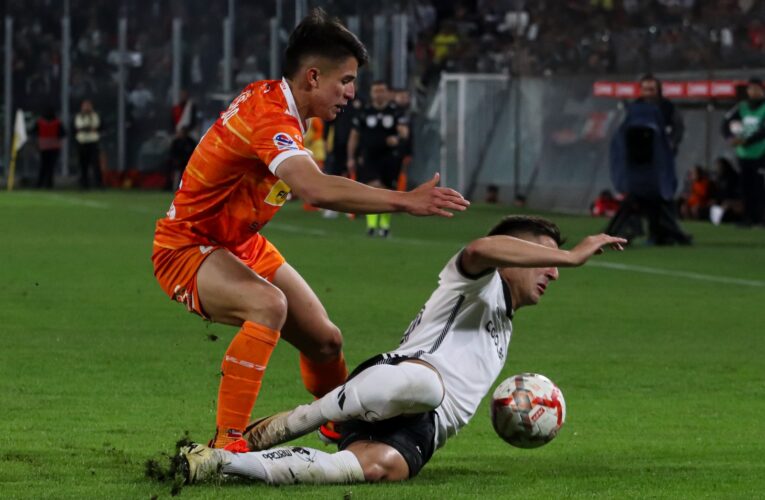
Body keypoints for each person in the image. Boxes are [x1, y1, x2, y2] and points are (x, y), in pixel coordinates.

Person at [151, 8, 469, 450]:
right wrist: (404, 200)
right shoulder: (269, 116)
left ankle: (340, 427)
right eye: (346, 81)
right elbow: (314, 189)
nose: (351, 93)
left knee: (325, 342)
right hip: (187, 247)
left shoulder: (279, 105)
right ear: (314, 77)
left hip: (239, 242)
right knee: (268, 305)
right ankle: (228, 444)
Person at [176, 215, 626, 485]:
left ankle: (222, 465)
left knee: (378, 469)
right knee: (428, 386)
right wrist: (572, 254)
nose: (554, 272)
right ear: (515, 257)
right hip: (394, 381)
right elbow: (480, 247)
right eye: (543, 259)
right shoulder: (474, 283)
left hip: (422, 429)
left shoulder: (504, 321)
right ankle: (291, 425)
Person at [606, 74, 692, 245]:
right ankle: (647, 232)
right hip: (637, 162)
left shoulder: (667, 108)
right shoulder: (633, 108)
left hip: (659, 163)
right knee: (643, 198)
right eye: (646, 89)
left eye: (652, 89)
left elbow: (677, 128)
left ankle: (654, 233)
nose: (649, 93)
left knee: (657, 198)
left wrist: (670, 146)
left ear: (658, 90)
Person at [347, 81, 410, 237]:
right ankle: (372, 225)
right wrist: (350, 157)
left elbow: (404, 132)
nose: (379, 94)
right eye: (376, 91)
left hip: (389, 157)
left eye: (382, 91)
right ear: (371, 93)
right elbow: (354, 136)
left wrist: (397, 138)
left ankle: (384, 225)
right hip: (369, 156)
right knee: (373, 187)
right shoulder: (364, 111)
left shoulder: (395, 111)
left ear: (387, 93)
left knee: (388, 189)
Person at [722, 77, 765, 226]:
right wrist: (730, 137)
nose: (753, 92)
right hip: (744, 154)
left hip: (761, 152)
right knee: (746, 187)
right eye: (751, 89)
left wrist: (746, 140)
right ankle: (748, 218)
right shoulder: (742, 107)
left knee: (760, 187)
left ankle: (761, 218)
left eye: (756, 88)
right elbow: (726, 122)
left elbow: (763, 130)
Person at [33, 106, 65, 189]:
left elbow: (63, 133)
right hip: (47, 147)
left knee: (47, 166)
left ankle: (45, 184)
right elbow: (63, 133)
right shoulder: (41, 122)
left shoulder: (56, 122)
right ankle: (44, 184)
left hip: (49, 147)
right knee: (46, 166)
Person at [74, 99, 102, 189]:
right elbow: (78, 127)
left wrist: (85, 128)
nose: (86, 107)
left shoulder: (95, 115)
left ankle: (98, 184)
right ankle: (84, 184)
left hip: (93, 142)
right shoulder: (79, 116)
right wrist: (88, 128)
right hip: (82, 142)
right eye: (85, 105)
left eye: (88, 105)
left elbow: (96, 126)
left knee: (95, 164)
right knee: (83, 164)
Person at [165, 126, 197, 191]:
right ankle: (175, 189)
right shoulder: (176, 142)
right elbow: (172, 153)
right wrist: (175, 160)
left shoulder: (191, 142)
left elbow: (195, 152)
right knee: (177, 174)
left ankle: (189, 189)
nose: (182, 134)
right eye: (181, 132)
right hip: (178, 162)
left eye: (184, 133)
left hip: (188, 163)